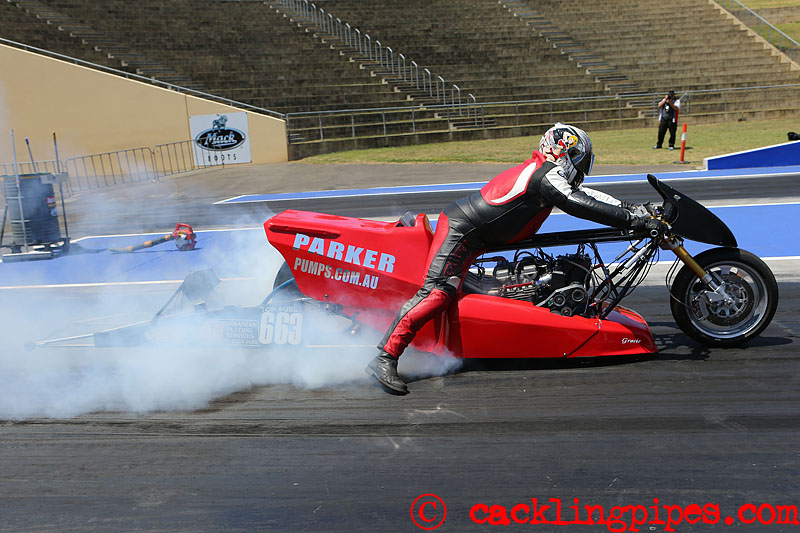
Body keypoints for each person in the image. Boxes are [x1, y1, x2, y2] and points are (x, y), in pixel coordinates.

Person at [366, 123, 668, 395]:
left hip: (477, 236)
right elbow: (578, 203)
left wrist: (635, 209)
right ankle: (384, 357)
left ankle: (447, 350)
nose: (581, 169)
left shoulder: (546, 173)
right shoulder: (545, 175)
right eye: (579, 160)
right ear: (564, 152)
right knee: (437, 294)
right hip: (462, 232)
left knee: (472, 294)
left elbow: (589, 195)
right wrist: (635, 221)